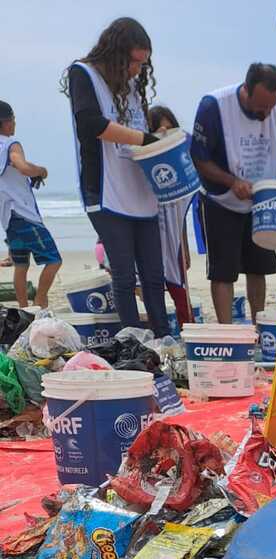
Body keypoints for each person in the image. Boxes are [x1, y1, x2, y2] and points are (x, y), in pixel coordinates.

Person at [63, 17, 170, 337]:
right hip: (105, 192)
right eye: (134, 61)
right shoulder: (84, 74)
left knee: (154, 276)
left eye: (143, 63)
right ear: (117, 53)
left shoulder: (134, 86)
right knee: (124, 275)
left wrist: (161, 136)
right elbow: (91, 124)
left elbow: (142, 131)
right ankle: (133, 343)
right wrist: (144, 140)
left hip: (142, 192)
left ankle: (164, 339)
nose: (138, 69)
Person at [191, 63, 276, 324]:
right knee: (224, 272)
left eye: (270, 107)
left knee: (258, 268)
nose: (265, 113)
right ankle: (227, 329)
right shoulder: (214, 106)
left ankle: (258, 326)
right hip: (221, 201)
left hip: (261, 201)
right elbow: (199, 158)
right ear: (246, 90)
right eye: (261, 107)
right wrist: (231, 182)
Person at [0, 101, 62, 308]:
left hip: (7, 217)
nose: (15, 123)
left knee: (20, 264)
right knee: (54, 260)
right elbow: (23, 166)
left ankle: (24, 310)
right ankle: (40, 300)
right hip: (22, 213)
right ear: (6, 122)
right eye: (13, 119)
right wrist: (41, 171)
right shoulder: (11, 144)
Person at [148, 104, 193, 327]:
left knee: (179, 290)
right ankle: (158, 331)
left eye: (169, 128)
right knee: (150, 288)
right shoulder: (143, 166)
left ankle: (188, 330)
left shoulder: (180, 170)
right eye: (158, 129)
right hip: (148, 235)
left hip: (173, 237)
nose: (164, 134)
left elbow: (181, 213)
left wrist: (184, 246)